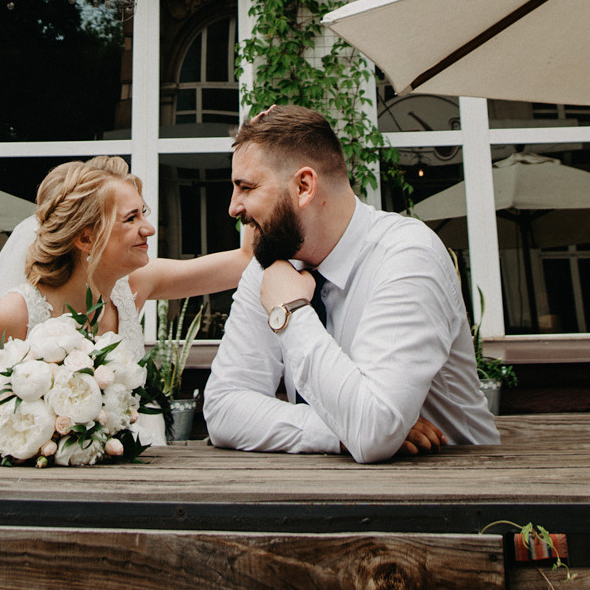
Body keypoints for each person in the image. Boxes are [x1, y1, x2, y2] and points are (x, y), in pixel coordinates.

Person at [203, 105, 500, 463]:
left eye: (246, 187)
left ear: (303, 186)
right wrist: (337, 431)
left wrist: (290, 313)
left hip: (464, 483)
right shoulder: (272, 261)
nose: (234, 207)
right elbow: (223, 408)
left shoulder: (407, 256)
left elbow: (373, 433)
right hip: (334, 486)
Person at [0, 156, 254, 444]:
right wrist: (45, 436)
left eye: (143, 213)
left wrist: (253, 160)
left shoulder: (133, 287)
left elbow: (245, 261)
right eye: (131, 218)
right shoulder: (14, 313)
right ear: (85, 238)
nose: (149, 228)